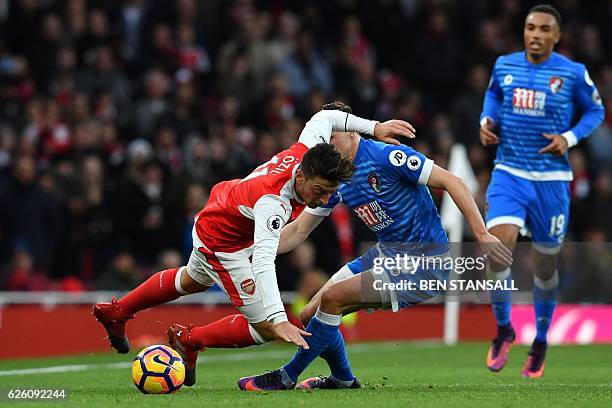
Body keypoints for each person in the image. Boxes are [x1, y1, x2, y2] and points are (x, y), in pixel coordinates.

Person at [93, 103, 415, 387]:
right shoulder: (273, 204)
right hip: (225, 243)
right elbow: (263, 261)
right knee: (263, 328)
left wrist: (375, 128)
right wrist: (278, 320)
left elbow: (325, 116)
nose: (325, 199)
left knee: (191, 280)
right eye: (320, 190)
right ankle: (189, 339)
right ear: (300, 178)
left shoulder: (309, 150)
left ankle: (119, 311)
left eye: (330, 193)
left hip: (222, 211)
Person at [237, 102, 512, 391]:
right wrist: (254, 248)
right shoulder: (337, 179)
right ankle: (342, 378)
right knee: (309, 314)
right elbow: (299, 230)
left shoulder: (387, 157)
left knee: (333, 298)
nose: (328, 145)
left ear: (353, 132)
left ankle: (286, 376)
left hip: (424, 261)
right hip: (386, 255)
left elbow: (452, 181)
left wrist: (481, 234)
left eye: (333, 137)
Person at [478, 4, 604, 378]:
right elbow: (493, 97)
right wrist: (486, 120)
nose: (535, 34)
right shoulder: (504, 65)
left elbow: (595, 113)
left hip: (551, 183)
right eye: (530, 27)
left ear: (557, 35)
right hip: (509, 173)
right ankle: (503, 329)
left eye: (543, 29)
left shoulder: (573, 73)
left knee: (546, 266)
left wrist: (569, 137)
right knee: (496, 252)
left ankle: (542, 339)